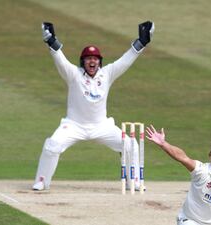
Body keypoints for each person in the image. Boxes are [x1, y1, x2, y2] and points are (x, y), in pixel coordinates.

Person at [32, 21, 155, 191]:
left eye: (95, 59)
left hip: (101, 126)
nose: (92, 62)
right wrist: (51, 41)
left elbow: (125, 61)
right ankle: (41, 180)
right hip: (74, 125)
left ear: (99, 62)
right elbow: (61, 60)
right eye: (89, 59)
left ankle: (133, 181)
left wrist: (141, 42)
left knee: (130, 144)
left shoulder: (107, 74)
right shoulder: (73, 74)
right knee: (52, 145)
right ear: (83, 61)